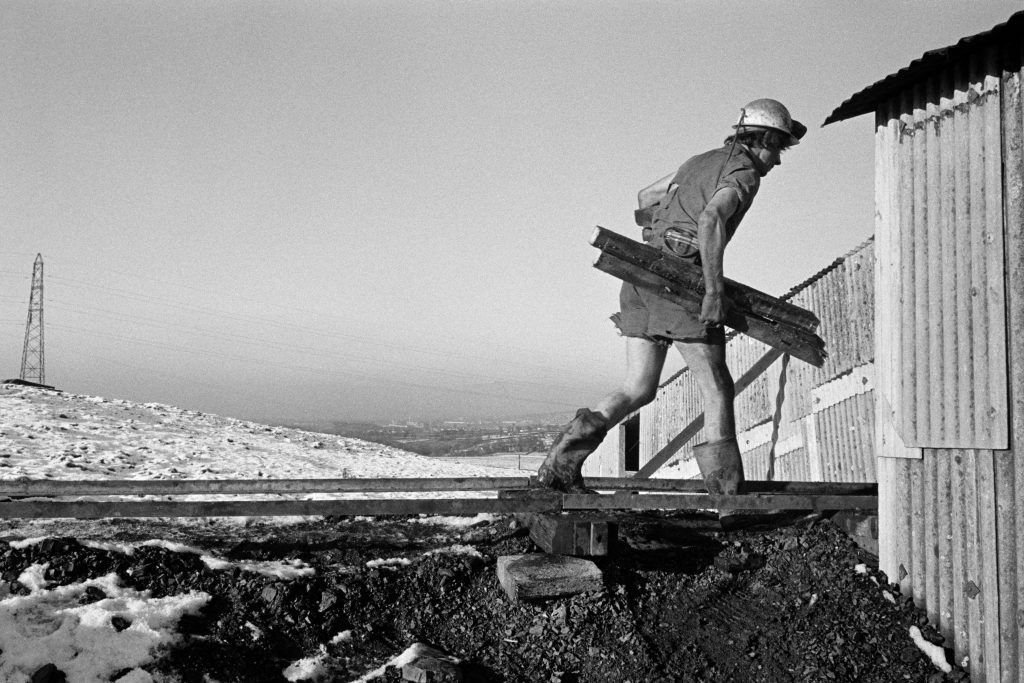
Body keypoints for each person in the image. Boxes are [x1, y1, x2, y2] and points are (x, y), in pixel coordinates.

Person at [537, 99, 805, 521]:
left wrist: (657, 234)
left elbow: (646, 195)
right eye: (779, 148)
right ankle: (729, 502)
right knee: (717, 387)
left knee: (638, 388)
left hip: (642, 277)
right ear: (765, 140)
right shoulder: (745, 171)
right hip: (682, 288)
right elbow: (712, 220)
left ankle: (560, 463)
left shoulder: (699, 161)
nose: (777, 160)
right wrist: (713, 292)